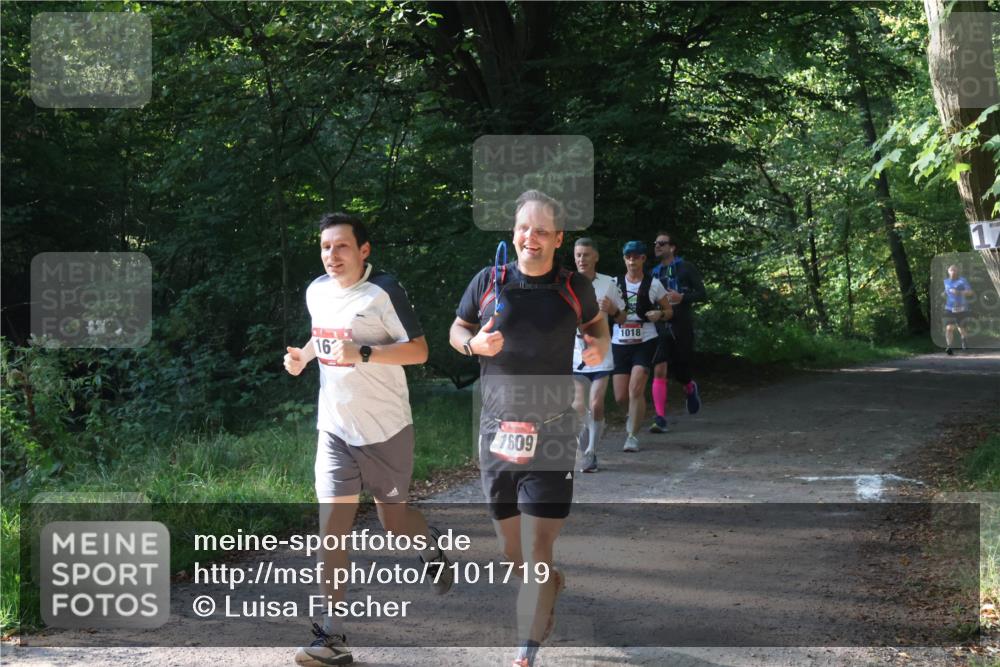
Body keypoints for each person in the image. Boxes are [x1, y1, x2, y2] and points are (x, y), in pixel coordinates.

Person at [284, 212, 453, 667]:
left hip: (385, 430)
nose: (331, 256)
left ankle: (429, 542)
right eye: (325, 247)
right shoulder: (316, 291)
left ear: (363, 251)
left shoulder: (384, 292)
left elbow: (419, 351)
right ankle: (331, 637)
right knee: (330, 531)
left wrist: (364, 351)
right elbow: (323, 337)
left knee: (393, 522)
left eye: (341, 247)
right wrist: (302, 355)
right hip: (335, 429)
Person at [450, 190, 609, 667]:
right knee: (511, 552)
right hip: (497, 433)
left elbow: (597, 327)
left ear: (559, 238)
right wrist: (473, 345)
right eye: (524, 229)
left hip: (555, 431)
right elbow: (457, 331)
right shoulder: (489, 281)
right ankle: (548, 586)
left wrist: (597, 346)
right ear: (513, 233)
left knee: (538, 546)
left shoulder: (573, 287)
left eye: (542, 231)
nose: (531, 238)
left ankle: (527, 647)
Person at [611, 241, 673, 453]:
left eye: (636, 257)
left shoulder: (654, 284)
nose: (632, 261)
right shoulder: (614, 283)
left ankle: (632, 436)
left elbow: (669, 311)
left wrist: (660, 314)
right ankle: (635, 412)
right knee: (621, 396)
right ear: (624, 259)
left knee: (636, 388)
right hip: (619, 342)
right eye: (628, 257)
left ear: (643, 259)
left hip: (645, 340)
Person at [571, 238, 626, 473]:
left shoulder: (609, 283)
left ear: (596, 257)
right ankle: (583, 447)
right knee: (578, 406)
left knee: (596, 403)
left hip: (602, 352)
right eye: (578, 255)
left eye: (586, 255)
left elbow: (623, 318)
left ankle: (592, 451)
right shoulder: (567, 283)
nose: (581, 259)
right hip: (575, 354)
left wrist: (613, 310)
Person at [649, 230, 707, 431]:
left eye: (662, 243)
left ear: (672, 247)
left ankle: (689, 387)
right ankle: (660, 418)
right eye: (656, 243)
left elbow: (702, 294)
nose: (657, 246)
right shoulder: (653, 273)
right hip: (660, 326)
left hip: (681, 324)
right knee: (659, 368)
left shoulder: (686, 268)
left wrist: (683, 298)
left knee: (681, 368)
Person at [942, 263, 974, 355]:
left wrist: (958, 292)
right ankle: (949, 347)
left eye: (955, 270)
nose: (953, 271)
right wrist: (943, 293)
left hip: (961, 308)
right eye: (951, 270)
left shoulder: (962, 280)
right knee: (949, 328)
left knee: (961, 327)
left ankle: (964, 341)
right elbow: (946, 291)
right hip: (949, 308)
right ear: (948, 271)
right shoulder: (945, 281)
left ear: (957, 271)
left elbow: (970, 293)